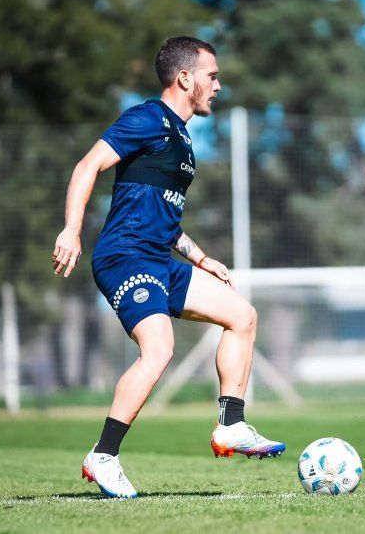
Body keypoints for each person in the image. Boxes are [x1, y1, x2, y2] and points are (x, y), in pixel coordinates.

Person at [52, 36, 285, 499]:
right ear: (184, 78)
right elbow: (87, 166)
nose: (218, 85)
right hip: (125, 256)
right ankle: (103, 456)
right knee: (159, 349)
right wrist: (70, 230)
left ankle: (231, 426)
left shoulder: (181, 138)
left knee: (243, 316)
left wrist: (200, 257)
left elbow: (165, 217)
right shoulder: (146, 119)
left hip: (161, 258)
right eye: (212, 76)